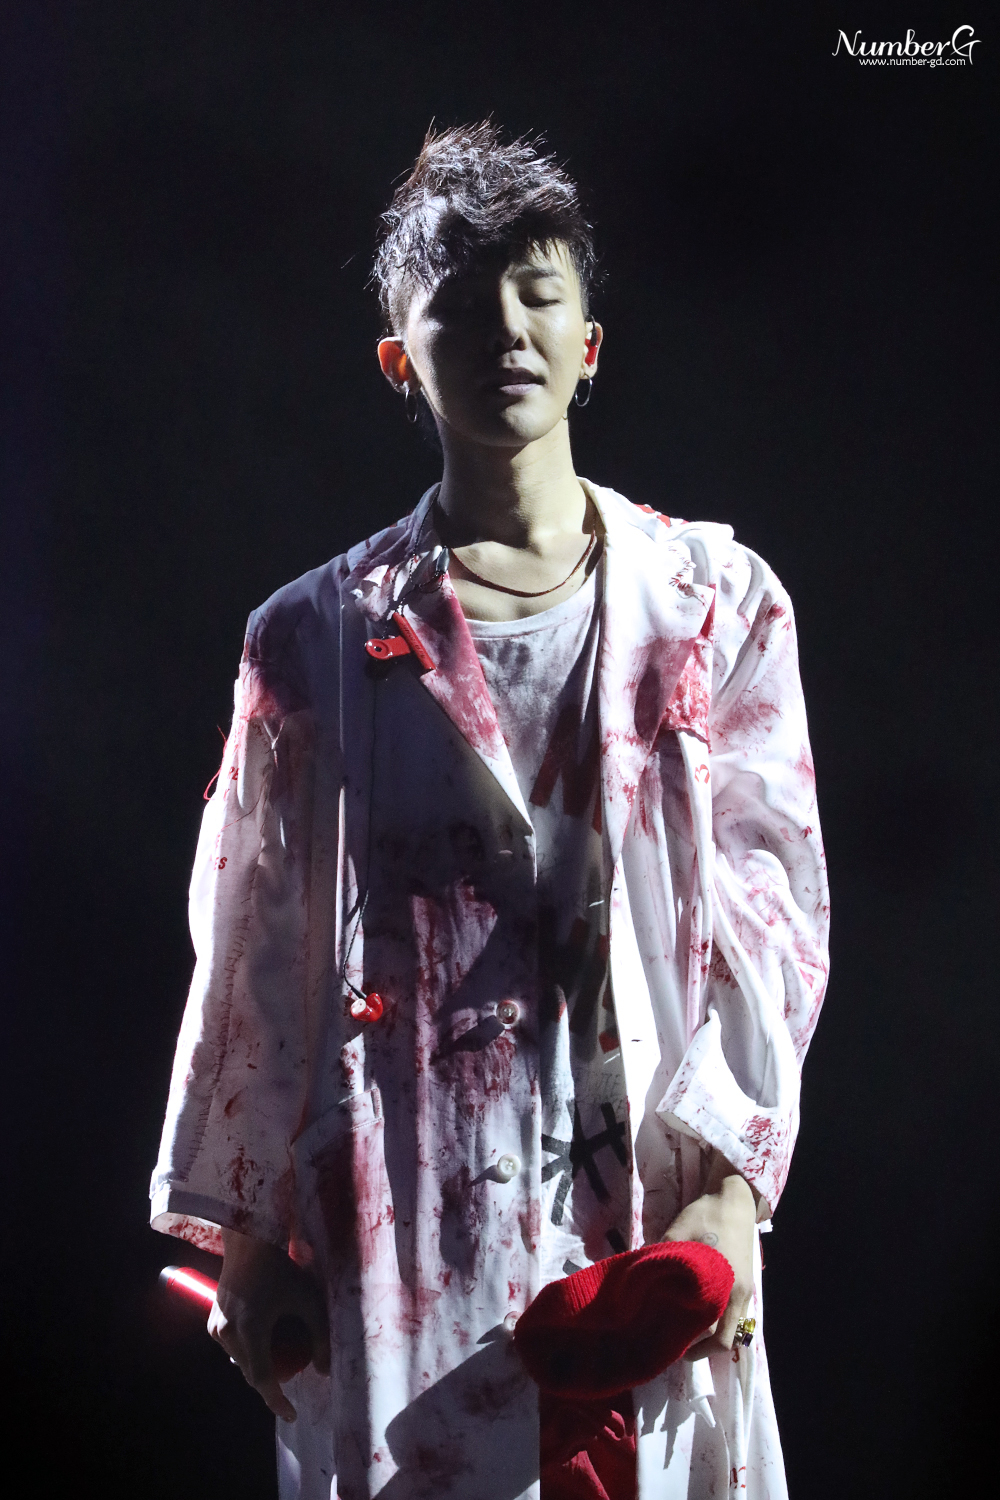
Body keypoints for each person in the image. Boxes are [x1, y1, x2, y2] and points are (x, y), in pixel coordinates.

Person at [151, 123, 829, 1500]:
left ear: (590, 342)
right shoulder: (310, 642)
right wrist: (255, 1236)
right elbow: (256, 944)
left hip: (641, 1218)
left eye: (537, 291)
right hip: (404, 1216)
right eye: (458, 301)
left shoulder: (716, 605)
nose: (506, 329)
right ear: (398, 358)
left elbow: (773, 913)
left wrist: (729, 1187)